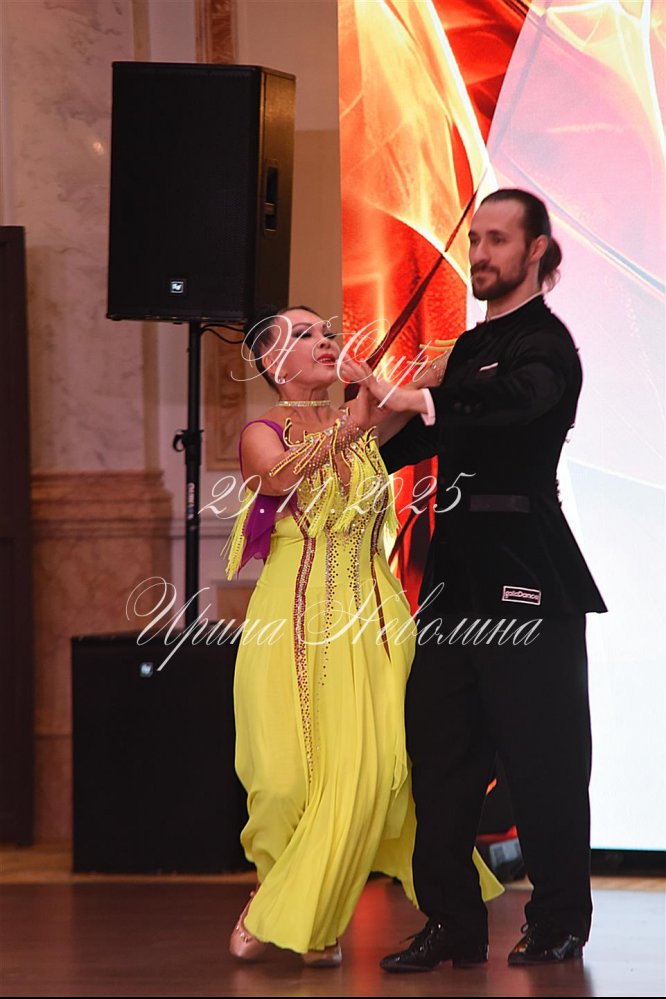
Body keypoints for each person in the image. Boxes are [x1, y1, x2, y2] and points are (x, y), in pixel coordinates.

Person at [342, 189, 607, 970]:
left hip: (527, 576)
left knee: (545, 758)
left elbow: (510, 405)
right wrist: (358, 422)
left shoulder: (547, 347)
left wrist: (422, 393)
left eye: (498, 239)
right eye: (476, 239)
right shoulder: (462, 353)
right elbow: (400, 446)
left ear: (536, 251)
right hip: (454, 583)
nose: (481, 253)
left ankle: (558, 919)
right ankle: (452, 921)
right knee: (440, 758)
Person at [224, 305, 503, 967]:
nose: (324, 340)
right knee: (283, 782)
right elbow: (280, 476)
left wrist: (473, 346)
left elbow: (428, 382)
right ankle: (279, 893)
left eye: (326, 331)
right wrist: (355, 420)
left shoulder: (364, 418)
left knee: (375, 774)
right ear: (272, 361)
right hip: (292, 621)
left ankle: (311, 913)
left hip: (375, 621)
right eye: (304, 335)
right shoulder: (261, 432)